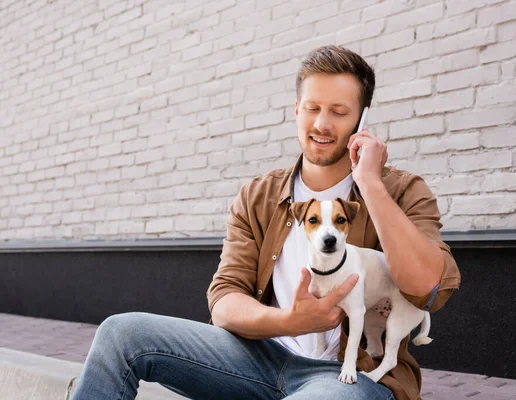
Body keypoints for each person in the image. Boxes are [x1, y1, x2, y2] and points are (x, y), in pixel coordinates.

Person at [72, 45, 460, 400]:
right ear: (296, 110)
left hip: (350, 376)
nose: (322, 124)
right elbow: (224, 301)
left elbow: (427, 289)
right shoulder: (257, 196)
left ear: (362, 119)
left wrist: (371, 186)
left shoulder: (402, 190)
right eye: (312, 108)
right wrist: (289, 321)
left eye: (339, 112)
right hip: (258, 358)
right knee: (120, 334)